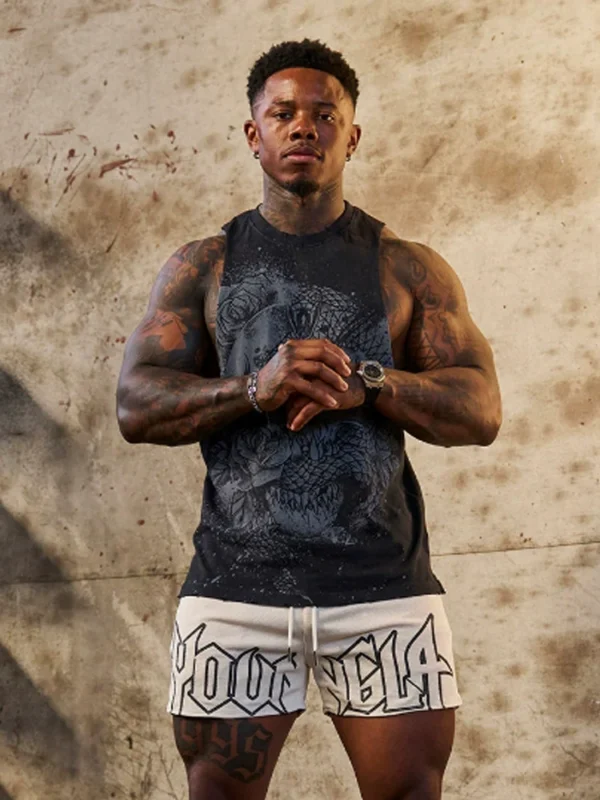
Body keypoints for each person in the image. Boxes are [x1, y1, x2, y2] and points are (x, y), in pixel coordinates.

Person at [116, 38, 501, 800]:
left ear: (352, 136)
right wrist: (252, 388)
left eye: (325, 115)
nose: (303, 127)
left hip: (383, 588)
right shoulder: (204, 265)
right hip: (235, 588)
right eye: (283, 113)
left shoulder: (405, 266)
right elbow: (135, 403)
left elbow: (481, 409)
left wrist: (372, 381)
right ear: (252, 134)